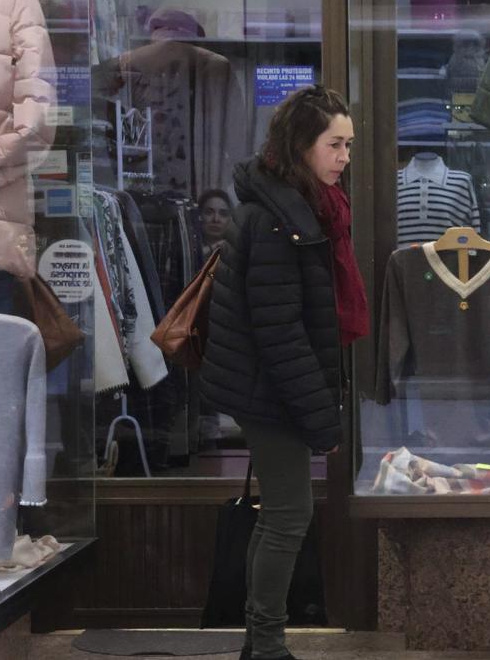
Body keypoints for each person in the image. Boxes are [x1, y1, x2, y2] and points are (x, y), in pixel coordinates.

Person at [200, 86, 368, 660]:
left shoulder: (301, 207)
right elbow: (279, 333)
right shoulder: (277, 219)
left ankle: (258, 641)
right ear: (300, 147)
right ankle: (267, 645)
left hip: (272, 385)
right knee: (289, 518)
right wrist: (319, 415)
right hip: (269, 389)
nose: (345, 156)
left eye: (349, 144)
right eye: (334, 144)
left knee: (279, 515)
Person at [197, 189, 232, 257]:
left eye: (223, 214)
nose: (216, 219)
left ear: (230, 219)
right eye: (209, 212)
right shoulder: (188, 247)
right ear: (199, 216)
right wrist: (213, 248)